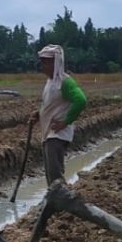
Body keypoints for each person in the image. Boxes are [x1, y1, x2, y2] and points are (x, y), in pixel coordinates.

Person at [29, 44, 87, 185]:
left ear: (56, 62)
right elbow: (51, 103)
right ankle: (54, 198)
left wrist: (65, 122)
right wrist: (39, 114)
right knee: (50, 171)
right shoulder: (51, 82)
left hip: (57, 135)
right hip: (48, 132)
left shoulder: (65, 82)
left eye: (46, 62)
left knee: (55, 172)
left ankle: (60, 198)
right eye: (42, 61)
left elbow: (81, 100)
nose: (43, 65)